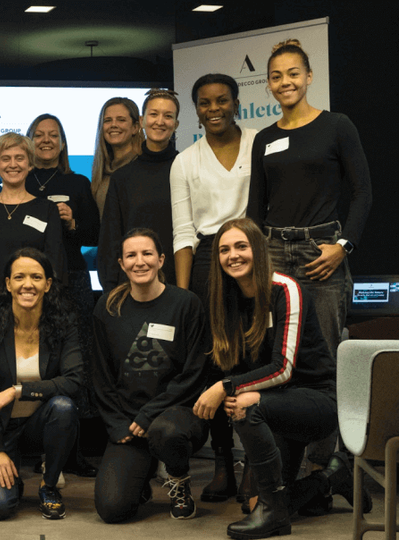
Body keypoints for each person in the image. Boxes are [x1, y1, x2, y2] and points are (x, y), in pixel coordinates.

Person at [246, 40, 372, 484]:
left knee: (323, 363)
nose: (286, 82)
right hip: (274, 253)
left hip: (323, 252)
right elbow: (254, 210)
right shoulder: (265, 137)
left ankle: (323, 469)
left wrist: (344, 246)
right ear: (268, 84)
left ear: (309, 76)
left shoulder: (337, 126)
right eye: (277, 76)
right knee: (278, 357)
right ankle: (280, 465)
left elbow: (362, 193)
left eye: (294, 73)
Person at [193, 218, 354, 539]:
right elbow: (233, 366)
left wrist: (224, 389)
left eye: (241, 246)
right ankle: (330, 479)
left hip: (315, 402)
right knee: (255, 501)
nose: (232, 255)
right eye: (224, 250)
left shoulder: (285, 288)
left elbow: (284, 368)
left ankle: (275, 517)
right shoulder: (227, 298)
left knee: (243, 404)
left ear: (259, 249)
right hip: (273, 404)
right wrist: (230, 386)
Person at [170, 74, 257, 502]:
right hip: (207, 260)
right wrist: (185, 296)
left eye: (222, 100)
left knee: (254, 358)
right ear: (196, 110)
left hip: (252, 253)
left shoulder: (260, 143)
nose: (214, 108)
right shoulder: (185, 161)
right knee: (217, 364)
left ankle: (256, 466)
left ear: (237, 102)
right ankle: (223, 462)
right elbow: (183, 233)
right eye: (205, 103)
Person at [92, 229, 209, 523]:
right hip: (129, 422)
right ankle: (139, 478)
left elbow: (195, 374)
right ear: (121, 263)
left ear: (161, 260)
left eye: (147, 254)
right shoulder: (107, 309)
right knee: (112, 509)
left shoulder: (186, 304)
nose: (139, 262)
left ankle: (179, 481)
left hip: (177, 417)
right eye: (131, 255)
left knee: (166, 432)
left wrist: (149, 416)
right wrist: (118, 425)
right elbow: (101, 376)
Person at [0, 248, 82, 521]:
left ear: (48, 284)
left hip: (41, 423)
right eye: (19, 277)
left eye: (36, 277)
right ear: (8, 284)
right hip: (0, 428)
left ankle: (49, 485)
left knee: (63, 407)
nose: (27, 284)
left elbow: (74, 381)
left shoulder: (63, 323)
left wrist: (18, 390)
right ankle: (12, 476)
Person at [25, 113, 99, 475]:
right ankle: (40, 444)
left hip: (72, 280)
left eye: (53, 135)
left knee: (76, 360)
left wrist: (72, 222)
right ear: (29, 141)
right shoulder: (18, 181)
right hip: (31, 283)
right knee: (40, 360)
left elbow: (95, 236)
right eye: (39, 135)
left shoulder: (78, 182)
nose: (46, 140)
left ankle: (76, 451)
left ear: (63, 141)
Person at [0, 132, 67, 331]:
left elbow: (53, 260)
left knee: (31, 363)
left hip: (34, 306)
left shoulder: (47, 210)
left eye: (20, 158)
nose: (13, 164)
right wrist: (1, 297)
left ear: (30, 164)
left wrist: (23, 296)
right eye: (5, 159)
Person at [100, 89, 181, 293]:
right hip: (131, 287)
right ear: (143, 120)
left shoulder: (187, 168)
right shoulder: (123, 177)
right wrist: (111, 289)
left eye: (168, 116)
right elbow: (111, 239)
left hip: (177, 284)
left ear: (176, 124)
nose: (160, 121)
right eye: (154, 114)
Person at [90, 97, 144, 217]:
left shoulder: (145, 168)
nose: (113, 125)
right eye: (108, 120)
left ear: (135, 127)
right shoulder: (101, 174)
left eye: (121, 120)